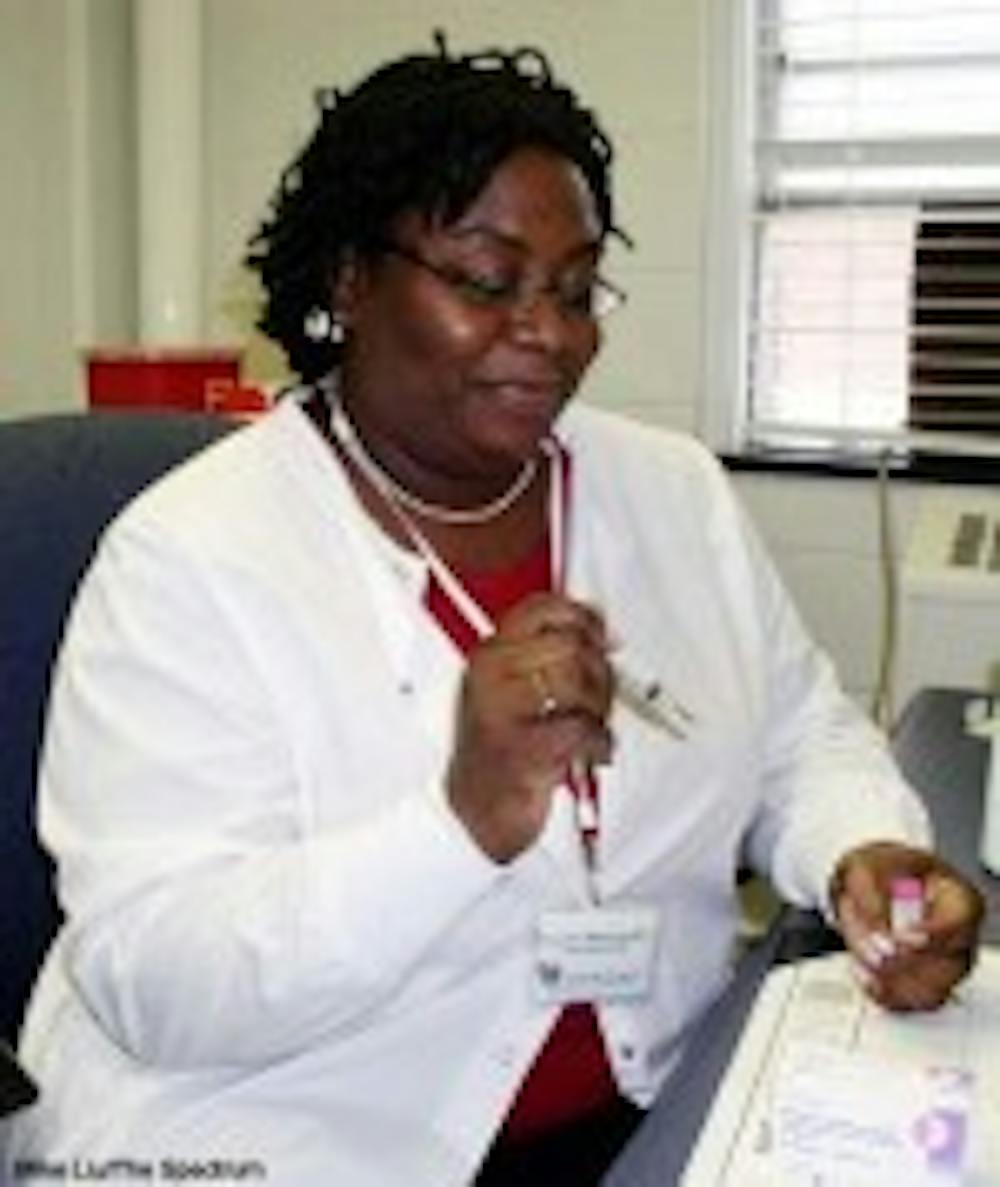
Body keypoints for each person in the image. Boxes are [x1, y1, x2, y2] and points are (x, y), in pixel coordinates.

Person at [5, 35, 983, 1187]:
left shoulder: (670, 493)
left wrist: (866, 854)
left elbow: (797, 734)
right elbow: (157, 979)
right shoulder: (189, 557)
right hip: (287, 1135)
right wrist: (461, 818)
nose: (549, 333)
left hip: (647, 1109)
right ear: (349, 280)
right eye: (486, 279)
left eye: (574, 289)